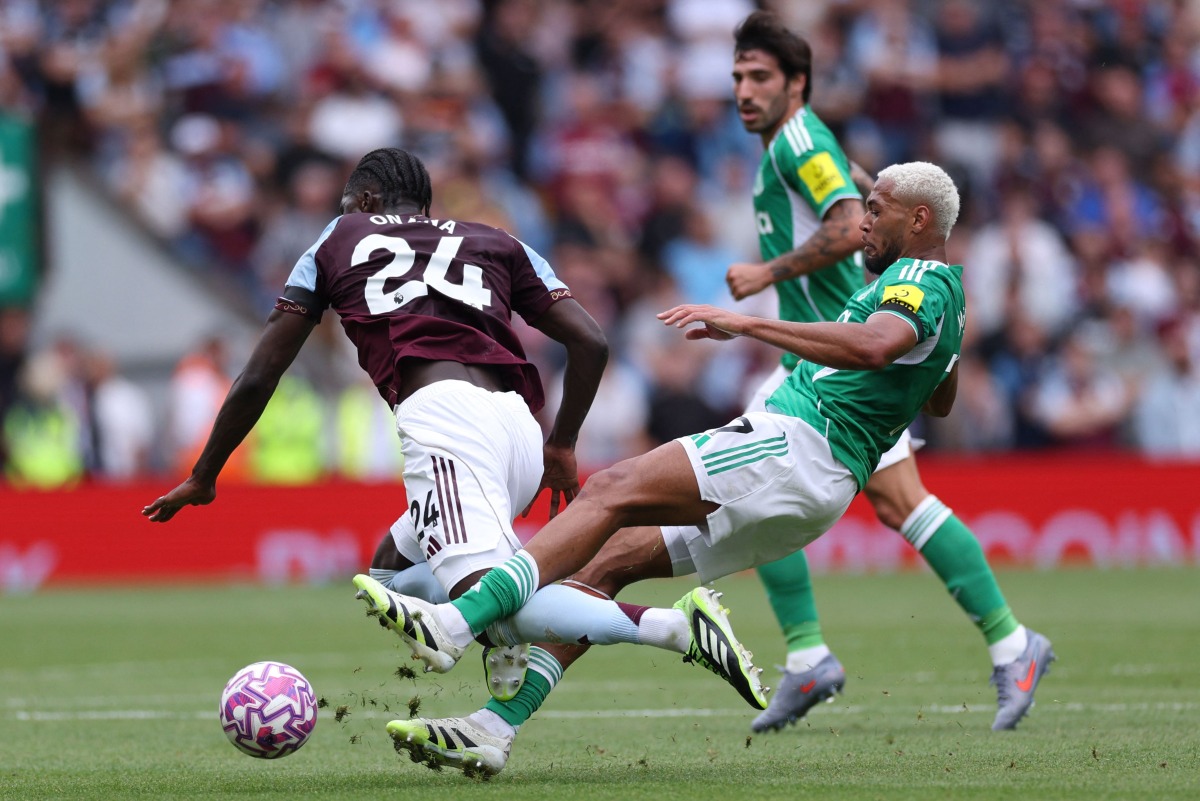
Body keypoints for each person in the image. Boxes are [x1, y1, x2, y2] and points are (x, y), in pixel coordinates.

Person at [357, 162, 1051, 779]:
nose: (862, 222)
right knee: (605, 569)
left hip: (795, 445)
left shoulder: (919, 279)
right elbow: (942, 396)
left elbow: (873, 347)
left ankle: (459, 619)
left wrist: (748, 325)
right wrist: (936, 355)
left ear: (919, 219)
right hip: (813, 480)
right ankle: (492, 730)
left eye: (877, 209)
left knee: (610, 489)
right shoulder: (947, 294)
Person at [142, 147, 768, 748]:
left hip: (446, 422)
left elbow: (260, 373)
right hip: (519, 429)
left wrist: (205, 474)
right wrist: (563, 445)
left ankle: (674, 628)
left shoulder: (337, 236)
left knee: (487, 602)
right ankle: (503, 640)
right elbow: (591, 341)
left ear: (364, 197)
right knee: (389, 567)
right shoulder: (498, 239)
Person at [721, 10, 1051, 734]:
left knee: (771, 490)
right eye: (739, 76)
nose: (743, 90)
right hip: (827, 358)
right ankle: (1001, 643)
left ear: (796, 83)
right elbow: (860, 198)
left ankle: (822, 654)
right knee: (891, 504)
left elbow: (844, 223)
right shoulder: (801, 140)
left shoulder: (798, 139)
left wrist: (765, 272)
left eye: (760, 77)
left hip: (845, 360)